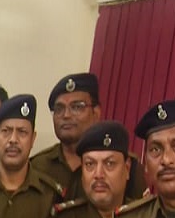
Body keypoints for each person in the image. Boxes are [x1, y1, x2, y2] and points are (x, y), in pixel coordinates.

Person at [30, 73, 147, 201]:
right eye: (59, 109)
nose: (66, 115)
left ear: (96, 113)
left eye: (77, 107)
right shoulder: (38, 165)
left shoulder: (124, 166)